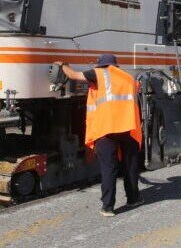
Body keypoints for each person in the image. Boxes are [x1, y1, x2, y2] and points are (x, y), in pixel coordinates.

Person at [55, 54, 143, 217]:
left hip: (106, 129)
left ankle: (108, 207)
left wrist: (63, 65)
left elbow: (73, 75)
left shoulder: (99, 73)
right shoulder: (127, 77)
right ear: (115, 65)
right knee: (130, 166)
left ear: (101, 65)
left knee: (109, 168)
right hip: (128, 127)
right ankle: (133, 198)